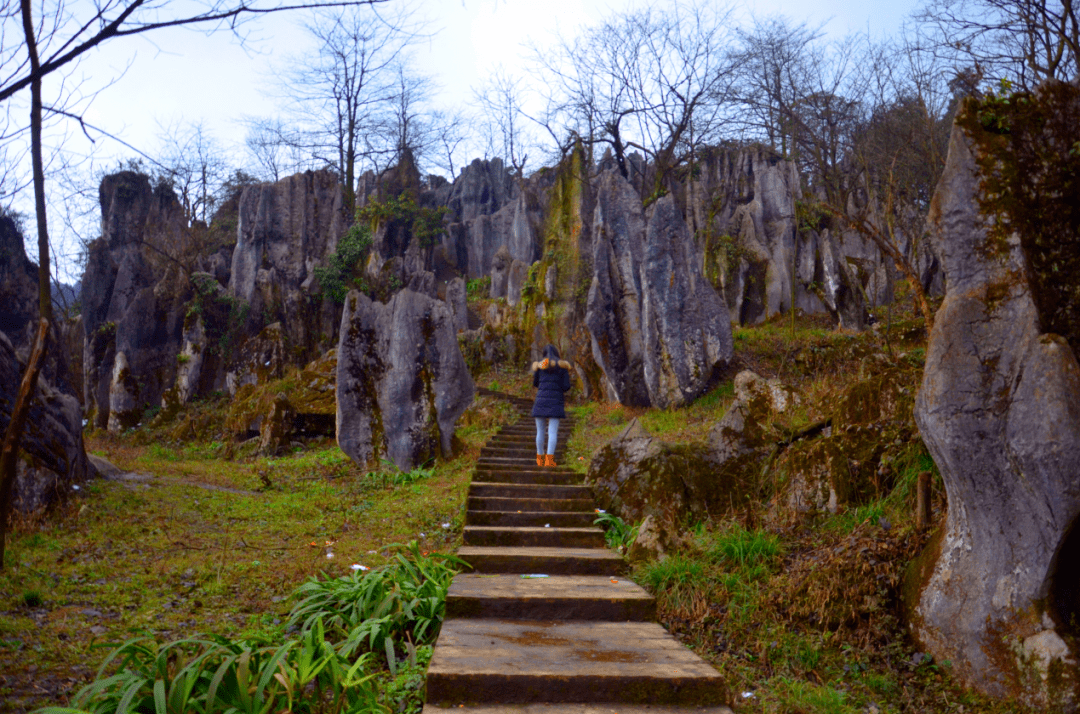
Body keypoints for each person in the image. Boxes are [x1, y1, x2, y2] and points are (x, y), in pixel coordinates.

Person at [531, 344, 572, 467]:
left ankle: (539, 458)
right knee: (552, 432)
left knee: (540, 431)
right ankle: (549, 460)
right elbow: (566, 386)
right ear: (557, 353)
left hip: (541, 401)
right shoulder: (562, 367)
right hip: (555, 402)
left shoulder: (540, 366)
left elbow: (535, 383)